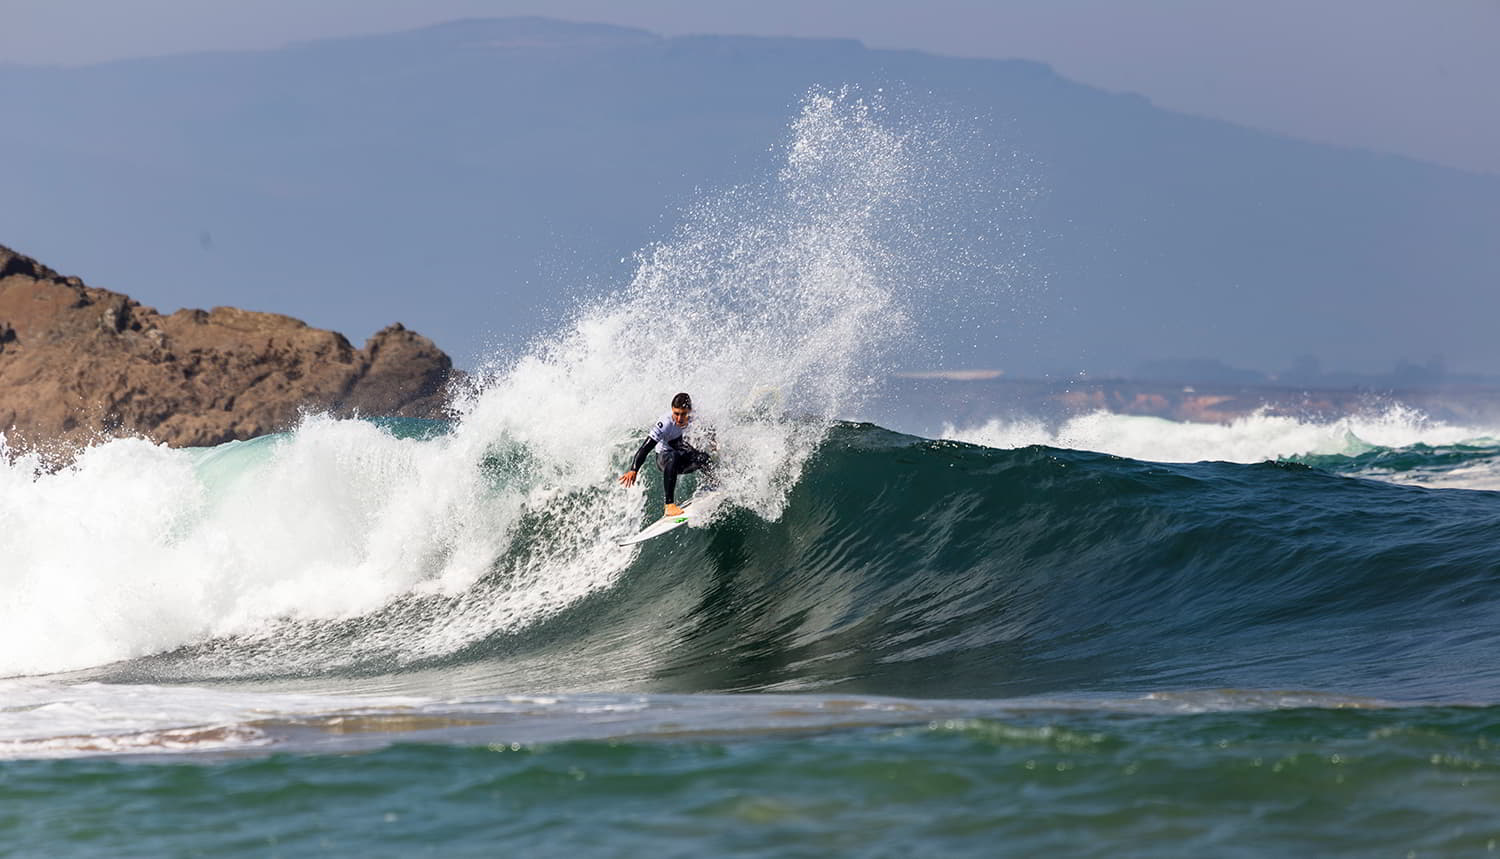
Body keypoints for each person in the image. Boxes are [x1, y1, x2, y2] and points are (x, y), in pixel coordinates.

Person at [618, 392, 714, 517]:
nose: (679, 418)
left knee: (704, 458)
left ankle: (714, 484)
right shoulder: (665, 423)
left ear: (689, 411)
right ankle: (669, 505)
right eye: (676, 413)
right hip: (665, 460)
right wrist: (634, 469)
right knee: (674, 455)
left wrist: (713, 442)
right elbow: (645, 448)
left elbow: (709, 428)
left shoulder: (695, 416)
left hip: (681, 458)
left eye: (683, 414)